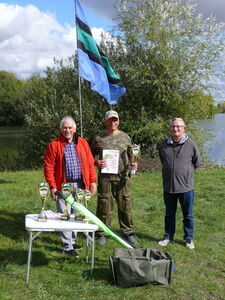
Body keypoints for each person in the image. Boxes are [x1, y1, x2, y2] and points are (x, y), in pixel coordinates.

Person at [44, 116, 97, 257]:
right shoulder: (54, 145)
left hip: (80, 183)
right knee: (64, 215)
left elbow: (90, 163)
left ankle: (72, 241)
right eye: (64, 128)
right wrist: (52, 187)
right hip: (63, 185)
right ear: (61, 129)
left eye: (70, 127)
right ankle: (67, 247)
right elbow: (48, 167)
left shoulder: (83, 143)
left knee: (77, 213)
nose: (67, 130)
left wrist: (92, 181)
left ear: (75, 129)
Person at [91, 110, 138, 246]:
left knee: (125, 205)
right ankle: (102, 233)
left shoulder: (125, 137)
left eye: (115, 120)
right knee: (104, 205)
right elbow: (89, 156)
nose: (113, 122)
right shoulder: (99, 138)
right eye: (110, 120)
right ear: (105, 122)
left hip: (123, 178)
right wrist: (96, 162)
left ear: (119, 121)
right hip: (105, 178)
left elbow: (132, 154)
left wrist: (134, 163)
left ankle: (128, 232)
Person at [158, 118, 201, 249]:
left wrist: (186, 173)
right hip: (169, 188)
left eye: (178, 127)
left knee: (188, 215)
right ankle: (168, 236)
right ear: (170, 128)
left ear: (184, 128)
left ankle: (188, 238)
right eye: (173, 127)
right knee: (169, 214)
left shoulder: (191, 144)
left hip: (186, 188)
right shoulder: (163, 144)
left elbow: (197, 162)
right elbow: (163, 160)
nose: (175, 129)